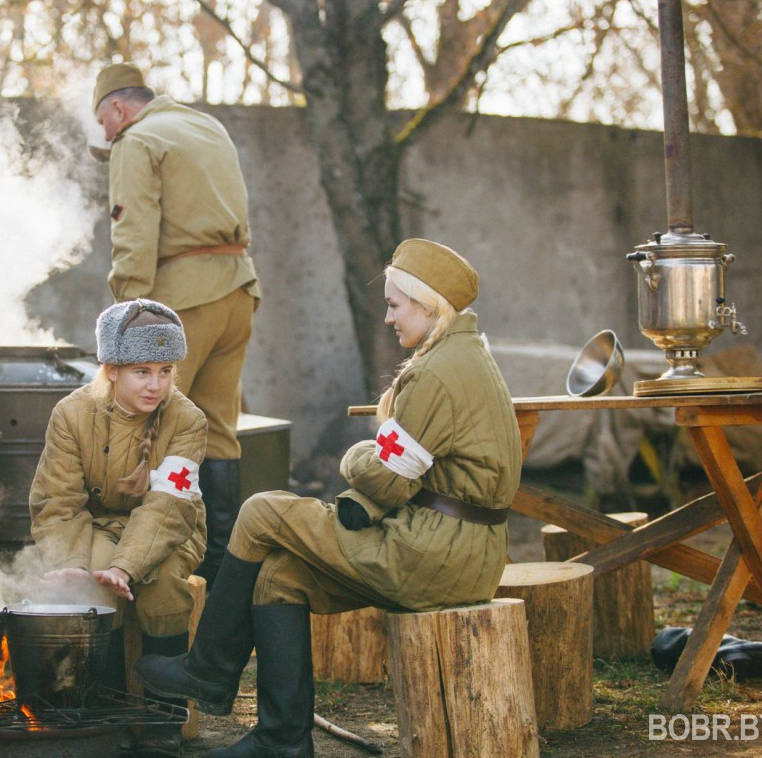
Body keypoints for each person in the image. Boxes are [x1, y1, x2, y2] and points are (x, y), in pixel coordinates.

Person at [134, 239, 522, 758]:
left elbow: (386, 479)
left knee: (261, 511)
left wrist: (356, 453)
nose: (387, 318)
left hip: (437, 554)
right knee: (279, 578)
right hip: (455, 547)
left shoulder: (436, 373)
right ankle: (284, 741)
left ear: (429, 305)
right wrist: (380, 450)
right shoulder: (463, 355)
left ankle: (207, 671)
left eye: (394, 305)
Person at [91, 62, 261, 590]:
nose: (105, 135)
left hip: (183, 303)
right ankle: (224, 575)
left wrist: (126, 319)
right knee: (216, 429)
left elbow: (134, 236)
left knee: (160, 430)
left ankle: (167, 572)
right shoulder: (206, 126)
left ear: (118, 109)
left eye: (103, 122)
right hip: (238, 292)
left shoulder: (135, 141)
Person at [29, 298, 207, 758]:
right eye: (141, 371)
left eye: (165, 371)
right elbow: (58, 501)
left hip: (172, 525)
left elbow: (168, 504)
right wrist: (70, 564)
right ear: (111, 369)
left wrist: (126, 566)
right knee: (89, 581)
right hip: (95, 524)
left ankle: (163, 717)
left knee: (164, 581)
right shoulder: (71, 415)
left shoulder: (187, 419)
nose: (156, 385)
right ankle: (103, 709)